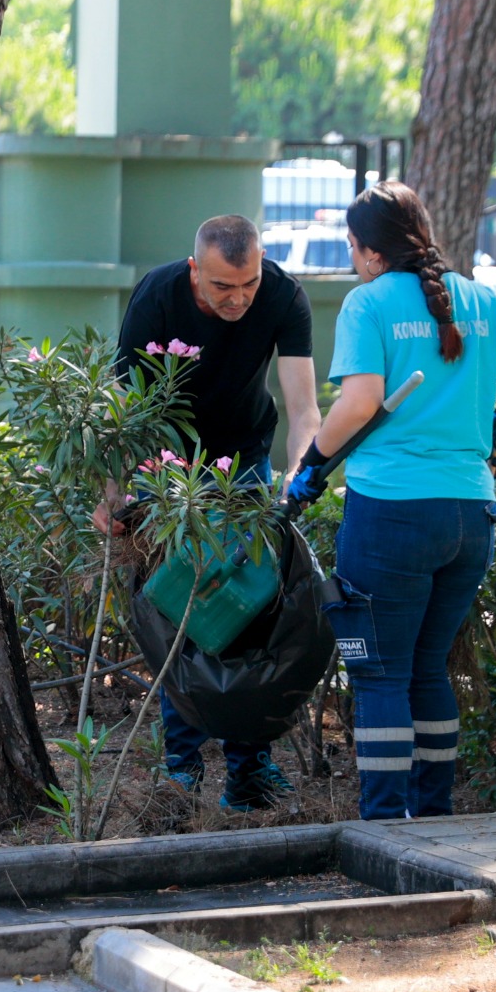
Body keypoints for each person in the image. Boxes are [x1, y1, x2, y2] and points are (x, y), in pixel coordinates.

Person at [287, 183, 496, 820]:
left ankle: (386, 825)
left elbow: (358, 404)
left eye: (354, 248)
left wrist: (312, 468)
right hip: (470, 514)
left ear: (366, 250)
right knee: (428, 669)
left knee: (382, 674)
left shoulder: (367, 304)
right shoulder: (477, 298)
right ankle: (433, 816)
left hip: (392, 512)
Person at [107, 213, 320, 812]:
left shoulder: (282, 294)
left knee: (252, 617)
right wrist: (113, 493)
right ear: (196, 269)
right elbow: (126, 406)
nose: (239, 298)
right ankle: (181, 772)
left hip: (245, 462)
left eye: (248, 284)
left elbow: (305, 406)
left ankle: (250, 773)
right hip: (169, 466)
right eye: (224, 286)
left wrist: (301, 470)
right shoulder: (159, 294)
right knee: (186, 614)